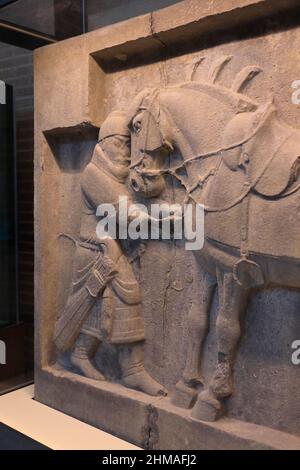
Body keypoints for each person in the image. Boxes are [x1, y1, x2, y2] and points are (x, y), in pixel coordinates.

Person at [54, 110, 165, 396]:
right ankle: (96, 360)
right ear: (103, 145)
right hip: (96, 251)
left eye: (128, 145)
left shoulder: (115, 176)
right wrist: (168, 219)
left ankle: (128, 370)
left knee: (102, 306)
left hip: (110, 250)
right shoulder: (94, 175)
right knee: (98, 304)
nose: (126, 151)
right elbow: (124, 215)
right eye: (120, 144)